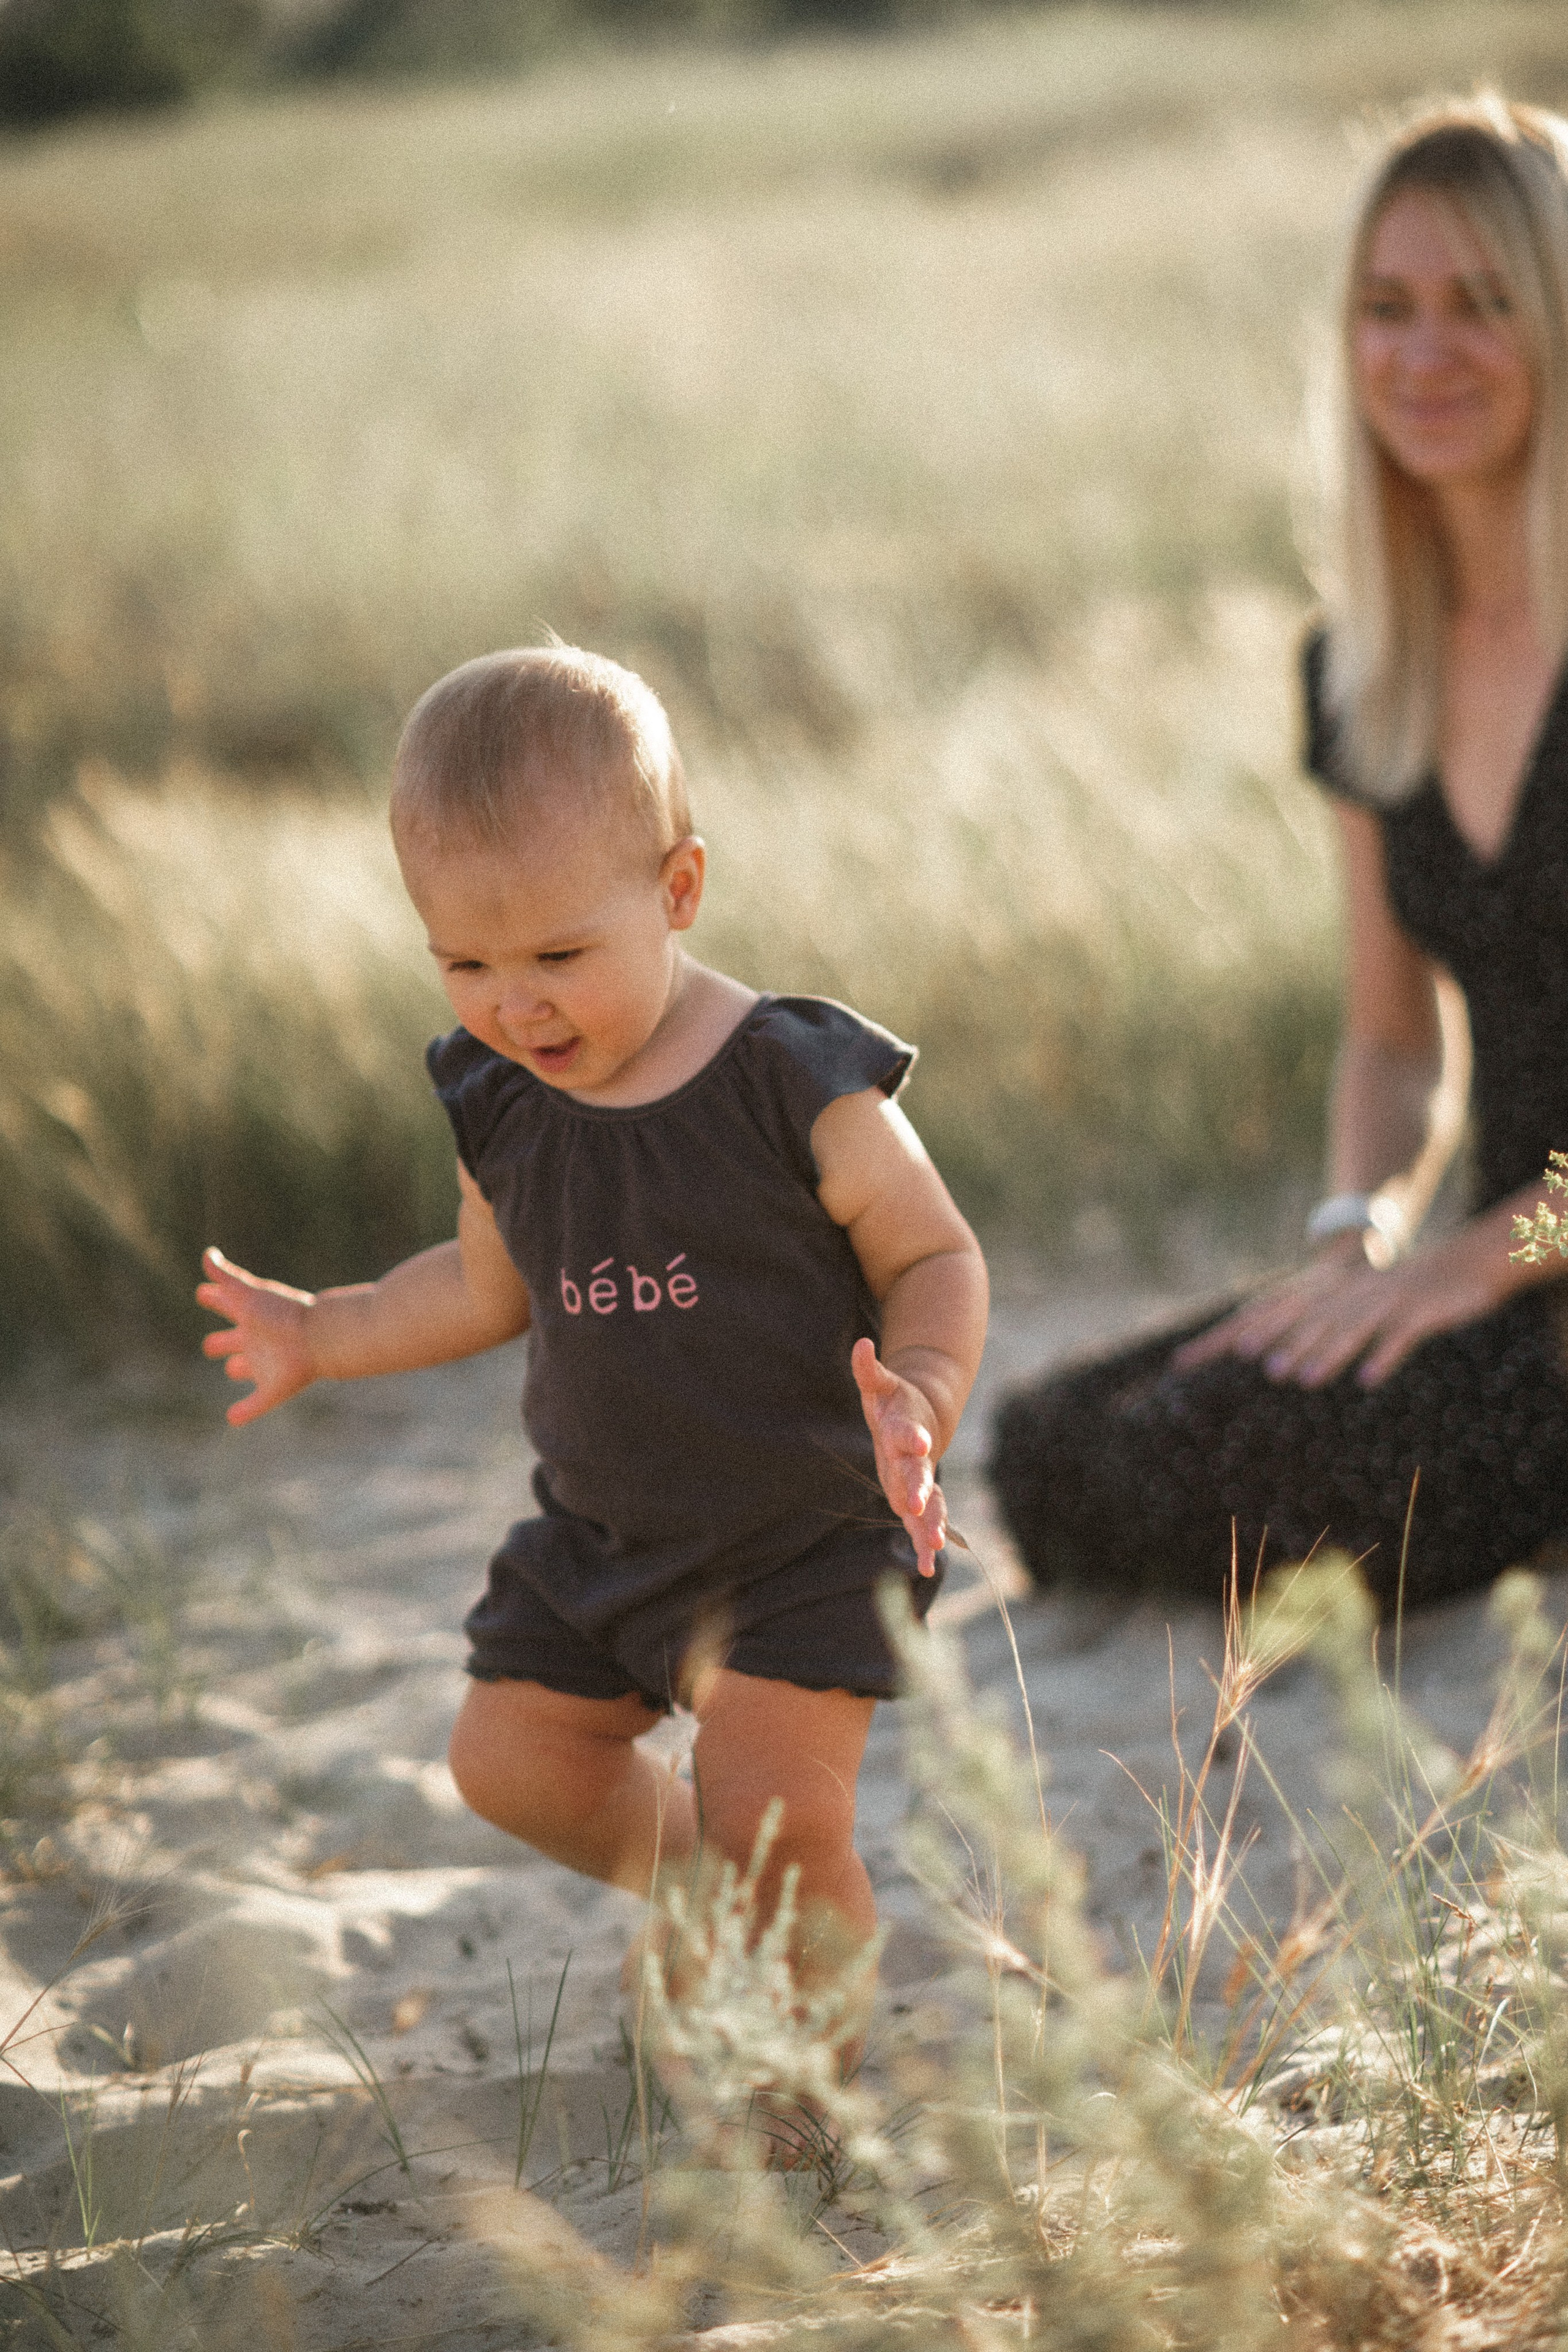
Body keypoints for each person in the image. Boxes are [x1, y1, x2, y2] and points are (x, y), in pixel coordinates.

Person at [197, 643, 989, 2064]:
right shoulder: (500, 1098)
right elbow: (485, 1286)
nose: (516, 1004)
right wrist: (321, 1332)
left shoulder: (790, 1082)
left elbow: (935, 1258)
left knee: (781, 1821)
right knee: (507, 1763)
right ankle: (706, 1897)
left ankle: (809, 2084)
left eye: (560, 955)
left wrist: (919, 1397)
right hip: (607, 1534)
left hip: (804, 1533)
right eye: (465, 963)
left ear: (677, 891)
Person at [990, 96, 1568, 1613]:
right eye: (1385, 308)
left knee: (1329, 1476)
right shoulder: (1361, 667)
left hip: (1528, 1282)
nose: (1421, 354)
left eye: (1479, 305)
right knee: (1058, 1447)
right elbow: (1394, 1044)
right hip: (1488, 1288)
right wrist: (1353, 1239)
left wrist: (1479, 1260)